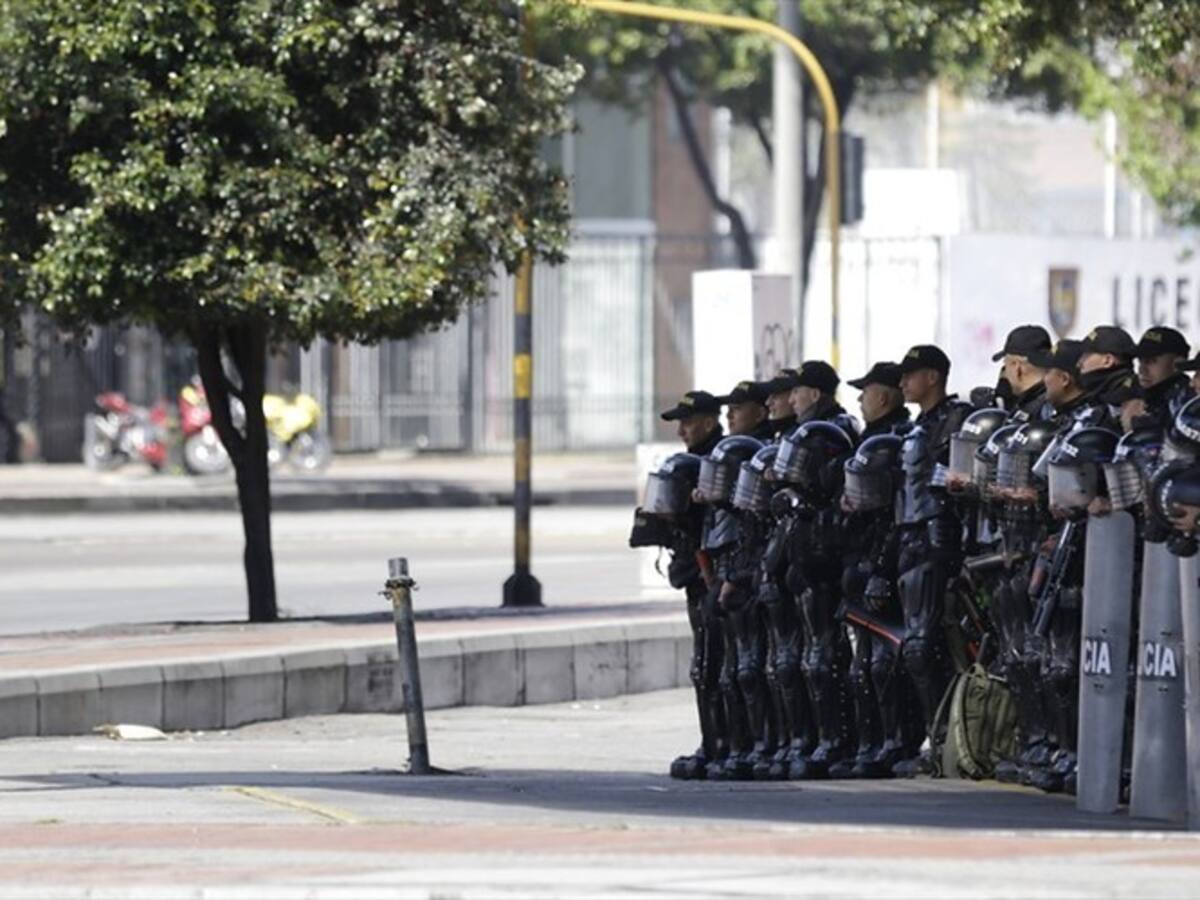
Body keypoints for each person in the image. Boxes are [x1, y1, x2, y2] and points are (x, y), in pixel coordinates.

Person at [892, 344, 973, 775]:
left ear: (933, 377)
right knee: (914, 648)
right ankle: (934, 737)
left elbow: (965, 478)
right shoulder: (913, 427)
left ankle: (948, 742)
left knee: (927, 647)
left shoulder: (958, 419)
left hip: (938, 538)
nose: (903, 382)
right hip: (909, 537)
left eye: (911, 374)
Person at [659, 391, 727, 780]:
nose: (682, 431)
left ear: (708, 422)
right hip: (694, 574)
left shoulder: (723, 458)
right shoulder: (689, 463)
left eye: (687, 422)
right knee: (704, 667)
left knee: (719, 666)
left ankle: (727, 744)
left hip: (716, 577)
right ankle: (713, 742)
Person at [1134, 326, 1192, 428]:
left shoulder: (1187, 407)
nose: (1141, 369)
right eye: (1140, 361)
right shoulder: (1132, 395)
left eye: (1150, 361)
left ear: (1178, 364)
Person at [992, 325, 1052, 422]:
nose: (1004, 372)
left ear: (1017, 367)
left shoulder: (1040, 411)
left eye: (1005, 365)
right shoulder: (1060, 398)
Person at [848, 362, 910, 439]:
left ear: (882, 399)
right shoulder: (907, 433)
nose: (859, 399)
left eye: (865, 392)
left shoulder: (884, 439)